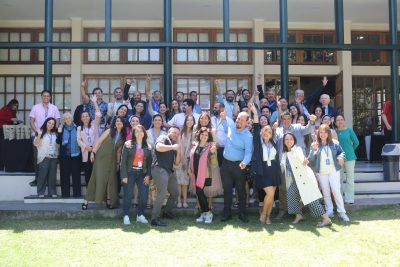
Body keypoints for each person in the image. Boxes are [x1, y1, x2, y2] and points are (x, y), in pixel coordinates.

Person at [280, 132, 332, 227]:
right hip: (296, 180)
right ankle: (299, 215)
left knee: (311, 199)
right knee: (291, 194)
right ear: (283, 141)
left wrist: (304, 161)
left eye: (291, 139)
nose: (289, 141)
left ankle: (326, 219)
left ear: (294, 140)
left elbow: (301, 159)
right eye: (286, 139)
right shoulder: (285, 154)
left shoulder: (297, 149)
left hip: (304, 178)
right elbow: (282, 167)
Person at [81, 116, 126, 210]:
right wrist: (93, 153)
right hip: (101, 158)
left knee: (111, 180)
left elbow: (119, 151)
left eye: (120, 121)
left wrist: (118, 163)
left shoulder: (123, 136)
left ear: (123, 124)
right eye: (117, 121)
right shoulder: (109, 131)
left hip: (112, 160)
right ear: (114, 123)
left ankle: (109, 200)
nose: (118, 123)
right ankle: (86, 201)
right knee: (96, 178)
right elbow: (99, 142)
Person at [309, 124, 350, 222]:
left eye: (325, 132)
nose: (323, 134)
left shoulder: (334, 143)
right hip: (322, 172)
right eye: (321, 132)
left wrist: (341, 157)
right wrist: (313, 150)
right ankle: (329, 211)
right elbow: (311, 159)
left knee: (336, 190)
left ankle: (342, 212)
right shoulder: (315, 144)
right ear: (318, 134)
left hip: (333, 171)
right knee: (326, 193)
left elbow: (342, 153)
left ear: (328, 133)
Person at [250, 104, 281, 224]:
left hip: (273, 170)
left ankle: (267, 216)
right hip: (262, 171)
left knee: (271, 195)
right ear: (261, 133)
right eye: (264, 131)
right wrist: (255, 114)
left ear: (271, 133)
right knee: (270, 193)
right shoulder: (258, 142)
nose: (267, 133)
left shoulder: (273, 142)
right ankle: (263, 214)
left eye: (269, 131)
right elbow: (256, 126)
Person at [220, 111, 253, 223]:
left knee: (240, 190)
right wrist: (224, 118)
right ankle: (226, 213)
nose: (239, 121)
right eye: (238, 119)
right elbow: (225, 127)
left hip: (239, 165)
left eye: (242, 120)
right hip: (225, 164)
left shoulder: (248, 136)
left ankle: (242, 213)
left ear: (247, 123)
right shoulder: (232, 127)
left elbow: (248, 153)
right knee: (227, 190)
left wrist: (245, 162)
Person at [120, 125, 153, 225]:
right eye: (137, 132)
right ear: (134, 134)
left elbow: (150, 163)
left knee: (144, 194)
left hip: (142, 173)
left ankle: (140, 215)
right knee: (128, 194)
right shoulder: (128, 144)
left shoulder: (148, 146)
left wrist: (148, 175)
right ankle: (126, 216)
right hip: (130, 172)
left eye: (141, 131)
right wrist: (124, 176)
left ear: (144, 133)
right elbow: (123, 161)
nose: (139, 133)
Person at [150, 126, 181, 227]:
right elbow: (158, 147)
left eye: (177, 134)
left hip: (169, 171)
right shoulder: (164, 138)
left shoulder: (173, 144)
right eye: (173, 132)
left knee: (175, 193)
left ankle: (166, 212)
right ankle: (154, 219)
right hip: (159, 168)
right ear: (168, 132)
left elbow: (176, 163)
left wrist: (178, 150)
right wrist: (172, 147)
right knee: (161, 193)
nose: (175, 135)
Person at [29, 90, 61, 186]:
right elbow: (31, 121)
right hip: (38, 135)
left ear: (50, 97)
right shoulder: (36, 107)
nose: (46, 97)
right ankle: (37, 178)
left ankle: (49, 180)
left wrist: (53, 131)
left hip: (50, 136)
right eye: (44, 96)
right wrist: (36, 132)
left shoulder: (54, 108)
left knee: (50, 157)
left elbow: (57, 121)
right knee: (37, 158)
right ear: (41, 96)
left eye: (48, 96)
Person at [189, 127, 218, 223]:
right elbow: (191, 158)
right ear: (199, 135)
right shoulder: (195, 144)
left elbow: (214, 163)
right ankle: (204, 213)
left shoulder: (210, 146)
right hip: (195, 173)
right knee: (199, 193)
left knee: (200, 192)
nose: (204, 136)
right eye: (202, 134)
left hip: (205, 174)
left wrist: (213, 153)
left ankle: (208, 213)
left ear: (208, 136)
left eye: (206, 135)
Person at [77, 96, 101, 187]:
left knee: (96, 172)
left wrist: (95, 102)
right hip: (86, 152)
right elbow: (78, 140)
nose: (85, 117)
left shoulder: (94, 124)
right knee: (87, 173)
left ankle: (96, 191)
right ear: (81, 118)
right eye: (83, 116)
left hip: (96, 151)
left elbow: (98, 114)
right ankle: (89, 191)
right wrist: (86, 147)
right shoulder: (79, 128)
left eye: (87, 116)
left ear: (89, 116)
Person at [335, 114, 359, 204]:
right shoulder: (335, 132)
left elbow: (356, 142)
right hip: (338, 158)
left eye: (341, 119)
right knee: (339, 179)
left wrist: (351, 150)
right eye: (338, 120)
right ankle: (340, 199)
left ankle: (349, 199)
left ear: (344, 121)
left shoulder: (349, 131)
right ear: (335, 122)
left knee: (350, 178)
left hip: (350, 157)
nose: (340, 121)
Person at [57, 113, 81, 198]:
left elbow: (80, 140)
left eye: (69, 118)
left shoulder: (77, 128)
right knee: (64, 175)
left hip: (76, 154)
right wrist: (59, 133)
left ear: (72, 119)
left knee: (76, 175)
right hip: (64, 155)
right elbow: (58, 141)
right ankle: (65, 194)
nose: (67, 120)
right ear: (64, 120)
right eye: (66, 119)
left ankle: (77, 194)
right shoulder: (61, 128)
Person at [33, 117, 59, 197]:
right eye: (49, 123)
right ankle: (40, 192)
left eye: (53, 124)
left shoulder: (55, 134)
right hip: (44, 156)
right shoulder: (40, 132)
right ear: (46, 123)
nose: (51, 125)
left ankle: (52, 192)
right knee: (42, 175)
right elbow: (36, 144)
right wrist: (39, 135)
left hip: (53, 157)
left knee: (52, 175)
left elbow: (58, 145)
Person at [176, 115, 195, 208]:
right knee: (179, 181)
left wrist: (188, 158)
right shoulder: (181, 131)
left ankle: (185, 201)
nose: (189, 122)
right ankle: (179, 200)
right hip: (179, 159)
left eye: (191, 120)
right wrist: (180, 159)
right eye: (188, 120)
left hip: (189, 160)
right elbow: (178, 146)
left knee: (185, 181)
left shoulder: (194, 133)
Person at [0, 99, 19, 170]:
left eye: (16, 106)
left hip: (8, 129)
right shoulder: (5, 109)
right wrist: (11, 119)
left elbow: (14, 119)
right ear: (11, 104)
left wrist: (16, 120)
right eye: (14, 105)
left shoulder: (13, 111)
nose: (15, 107)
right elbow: (1, 116)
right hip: (2, 129)